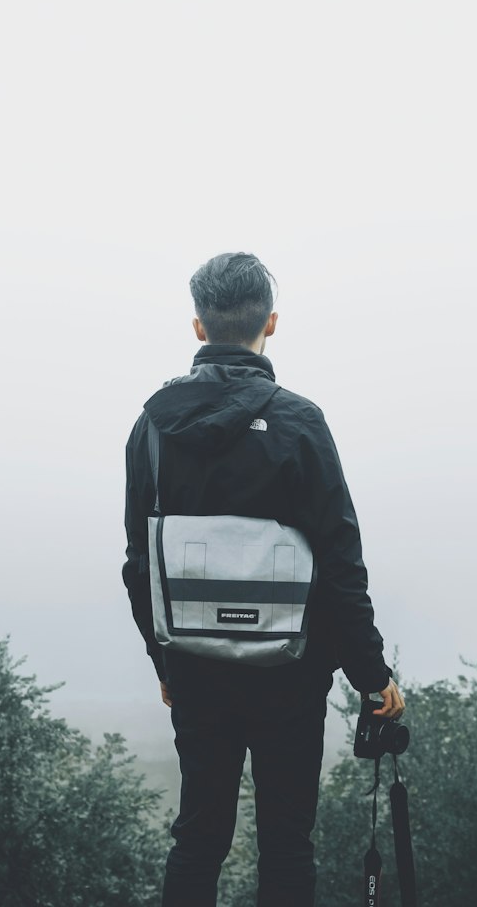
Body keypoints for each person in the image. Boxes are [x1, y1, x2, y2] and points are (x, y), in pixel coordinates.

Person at [123, 251, 404, 907]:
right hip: (291, 673)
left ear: (199, 328)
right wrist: (372, 675)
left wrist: (163, 661)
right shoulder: (299, 424)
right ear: (270, 324)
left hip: (194, 666)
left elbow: (139, 564)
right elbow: (339, 563)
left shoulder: (153, 429)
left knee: (197, 841)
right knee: (286, 843)